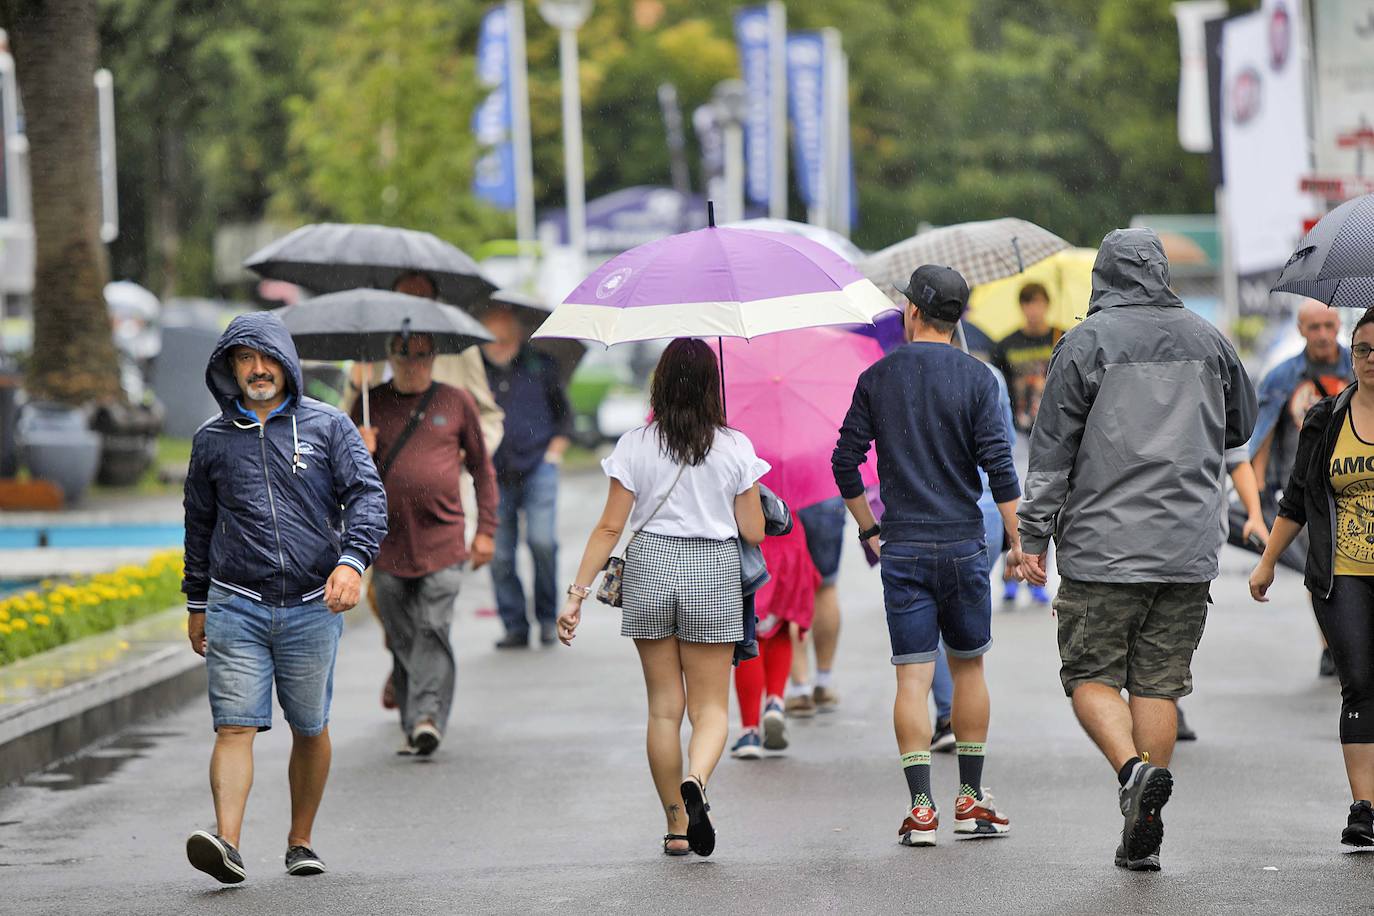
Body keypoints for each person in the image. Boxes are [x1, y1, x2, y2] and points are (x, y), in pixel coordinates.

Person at [1018, 228, 1257, 872]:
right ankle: (1141, 821)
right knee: (1159, 685)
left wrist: (1032, 535)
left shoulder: (1084, 344)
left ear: (1104, 275)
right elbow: (1240, 427)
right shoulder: (1210, 339)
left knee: (1089, 676)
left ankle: (1131, 775)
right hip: (1187, 547)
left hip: (1104, 547)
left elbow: (1051, 455)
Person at [181, 312, 387, 884]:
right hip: (235, 602)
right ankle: (226, 843)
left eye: (266, 357)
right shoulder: (211, 440)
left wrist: (352, 561)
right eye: (244, 359)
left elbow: (368, 497)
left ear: (287, 363)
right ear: (228, 368)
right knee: (233, 726)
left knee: (310, 725)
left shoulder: (329, 427)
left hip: (310, 604)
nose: (257, 369)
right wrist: (197, 602)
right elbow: (198, 525)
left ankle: (300, 841)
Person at [833, 264, 1024, 847]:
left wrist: (871, 529)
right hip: (965, 541)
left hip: (905, 545)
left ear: (911, 312)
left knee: (912, 678)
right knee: (968, 667)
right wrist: (1020, 544)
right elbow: (1000, 467)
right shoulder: (980, 379)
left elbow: (845, 462)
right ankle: (970, 800)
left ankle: (921, 809)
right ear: (958, 317)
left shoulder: (877, 376)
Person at [556, 339, 768, 858]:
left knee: (663, 710)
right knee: (711, 707)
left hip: (651, 566)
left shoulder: (635, 443)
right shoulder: (734, 445)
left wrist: (577, 595)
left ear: (660, 382)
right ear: (710, 386)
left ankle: (676, 825)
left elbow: (611, 526)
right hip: (713, 570)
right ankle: (697, 779)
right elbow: (754, 531)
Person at [1251, 305, 1374, 849]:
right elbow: (1298, 495)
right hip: (1341, 574)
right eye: (1364, 350)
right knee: (1361, 683)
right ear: (1353, 354)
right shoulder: (1326, 418)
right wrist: (1267, 560)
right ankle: (1364, 810)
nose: (1371, 360)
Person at [352, 333, 497, 756]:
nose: (413, 363)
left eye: (421, 354)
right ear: (390, 356)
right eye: (403, 354)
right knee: (401, 636)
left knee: (433, 627)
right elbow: (338, 474)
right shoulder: (368, 403)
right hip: (386, 543)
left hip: (443, 539)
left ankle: (427, 718)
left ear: (434, 357)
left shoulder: (456, 401)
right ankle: (412, 717)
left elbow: (483, 471)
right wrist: (361, 451)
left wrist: (486, 529)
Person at [1250, 298, 1353, 677]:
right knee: (1322, 566)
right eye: (1314, 328)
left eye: (1329, 326)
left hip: (1356, 484)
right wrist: (1256, 493)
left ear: (1339, 324)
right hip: (1308, 490)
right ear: (1300, 330)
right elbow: (1261, 435)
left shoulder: (1359, 366)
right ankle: (1330, 644)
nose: (1323, 335)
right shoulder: (1282, 377)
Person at [480, 306, 573, 649]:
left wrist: (554, 453)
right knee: (500, 554)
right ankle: (515, 625)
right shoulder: (474, 371)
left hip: (538, 467)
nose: (498, 346)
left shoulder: (542, 366)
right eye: (492, 340)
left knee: (542, 542)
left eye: (505, 339)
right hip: (492, 473)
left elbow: (565, 417)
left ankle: (547, 619)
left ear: (518, 336)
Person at [991, 282, 1064, 609]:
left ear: (1046, 305)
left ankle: (1037, 573)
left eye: (1039, 303)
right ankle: (1009, 574)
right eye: (1028, 304)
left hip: (1051, 433)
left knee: (1043, 504)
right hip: (1018, 433)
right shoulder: (1005, 344)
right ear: (1022, 307)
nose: (1034, 310)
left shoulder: (1062, 338)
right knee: (1015, 503)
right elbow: (999, 390)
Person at [731, 521, 818, 758]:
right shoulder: (792, 484)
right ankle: (775, 702)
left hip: (752, 549)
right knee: (781, 626)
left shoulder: (750, 481)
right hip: (789, 540)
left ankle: (749, 731)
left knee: (750, 637)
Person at [783, 497, 846, 717]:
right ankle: (823, 681)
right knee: (826, 587)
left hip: (783, 495)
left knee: (791, 591)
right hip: (825, 496)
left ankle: (800, 688)